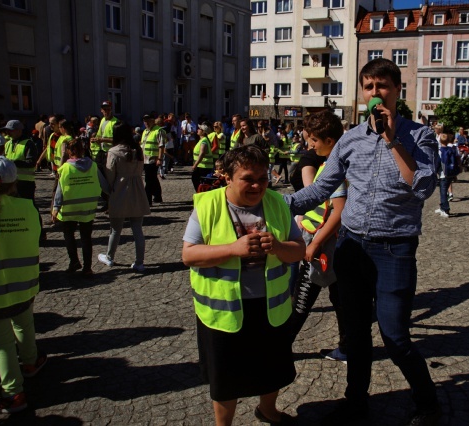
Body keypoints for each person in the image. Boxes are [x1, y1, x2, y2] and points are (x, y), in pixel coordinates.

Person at [284, 58, 442, 425]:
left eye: (382, 86)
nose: (375, 94)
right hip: (351, 247)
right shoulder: (350, 139)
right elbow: (322, 188)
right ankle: (356, 402)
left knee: (395, 336)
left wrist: (390, 139)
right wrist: (273, 203)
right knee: (355, 335)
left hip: (395, 249)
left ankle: (428, 403)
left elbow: (422, 186)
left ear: (398, 90)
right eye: (369, 87)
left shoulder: (419, 135)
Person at [182, 145, 305, 426]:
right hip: (222, 312)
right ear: (227, 176)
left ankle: (268, 410)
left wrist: (277, 246)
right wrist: (233, 249)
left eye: (263, 179)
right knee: (225, 377)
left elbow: (298, 251)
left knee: (271, 369)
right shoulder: (208, 204)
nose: (257, 185)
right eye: (248, 178)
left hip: (270, 307)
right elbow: (189, 255)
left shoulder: (276, 203)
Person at [287, 110, 348, 363]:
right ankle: (347, 347)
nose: (310, 145)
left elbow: (339, 212)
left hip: (322, 244)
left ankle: (280, 346)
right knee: (339, 297)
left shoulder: (337, 167)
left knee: (302, 297)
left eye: (314, 140)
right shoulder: (329, 163)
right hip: (324, 241)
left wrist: (316, 244)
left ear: (329, 141)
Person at [0, 156, 47, 414]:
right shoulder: (28, 208)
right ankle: (31, 361)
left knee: (1, 343)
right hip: (25, 285)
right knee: (24, 323)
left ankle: (13, 393)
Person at [98, 122, 151, 272]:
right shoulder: (137, 149)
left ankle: (110, 257)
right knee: (137, 228)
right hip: (137, 189)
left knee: (115, 229)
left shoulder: (114, 152)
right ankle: (140, 262)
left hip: (120, 189)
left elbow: (110, 175)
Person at [52, 139, 109, 275]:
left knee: (69, 236)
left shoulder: (65, 168)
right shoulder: (93, 166)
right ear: (83, 150)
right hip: (87, 209)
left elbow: (59, 191)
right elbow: (104, 186)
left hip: (69, 209)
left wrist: (55, 208)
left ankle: (74, 261)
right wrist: (112, 198)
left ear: (68, 152)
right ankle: (87, 268)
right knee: (86, 238)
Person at [140, 114, 165, 205]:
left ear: (152, 120)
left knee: (148, 180)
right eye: (144, 121)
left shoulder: (158, 131)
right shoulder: (145, 131)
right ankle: (158, 196)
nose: (146, 123)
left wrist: (160, 158)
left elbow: (161, 146)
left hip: (153, 159)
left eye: (148, 120)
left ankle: (148, 200)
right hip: (145, 159)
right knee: (153, 179)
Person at [191, 123, 214, 192]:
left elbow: (202, 153)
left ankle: (200, 194)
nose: (197, 130)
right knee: (196, 180)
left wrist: (195, 164)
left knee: (197, 180)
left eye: (199, 129)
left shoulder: (204, 141)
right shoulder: (202, 140)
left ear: (203, 132)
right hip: (202, 166)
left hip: (203, 166)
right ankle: (200, 193)